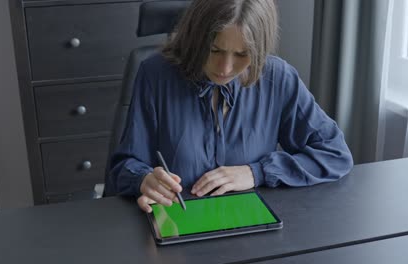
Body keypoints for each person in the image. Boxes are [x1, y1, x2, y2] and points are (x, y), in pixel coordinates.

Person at [107, 0, 353, 213]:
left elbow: (335, 154)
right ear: (197, 38)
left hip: (250, 233)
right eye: (215, 50)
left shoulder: (279, 79)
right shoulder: (155, 75)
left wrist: (257, 172)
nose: (225, 68)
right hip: (175, 232)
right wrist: (144, 179)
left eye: (242, 54)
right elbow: (124, 166)